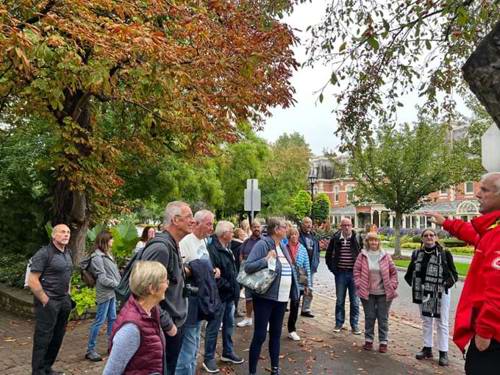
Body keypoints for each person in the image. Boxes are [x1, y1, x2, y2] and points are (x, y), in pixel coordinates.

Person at [425, 172, 500, 374]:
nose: (477, 194)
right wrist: (447, 223)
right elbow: (477, 236)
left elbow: (497, 291)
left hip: (492, 339)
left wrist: (484, 332)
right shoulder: (492, 231)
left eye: (484, 190)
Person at [140, 201, 194, 374]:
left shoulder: (172, 245)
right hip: (165, 328)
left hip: (175, 323)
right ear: (175, 220)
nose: (193, 221)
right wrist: (168, 325)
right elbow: (144, 294)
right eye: (189, 217)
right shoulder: (161, 248)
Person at [245, 218, 300, 375]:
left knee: (276, 334)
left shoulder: (282, 246)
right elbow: (248, 266)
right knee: (260, 335)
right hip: (265, 298)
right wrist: (265, 259)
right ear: (276, 229)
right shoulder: (263, 244)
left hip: (281, 299)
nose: (287, 229)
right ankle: (252, 371)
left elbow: (290, 269)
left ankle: (275, 369)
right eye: (284, 227)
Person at [403, 228, 457, 366]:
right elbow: (409, 273)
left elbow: (454, 275)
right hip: (423, 293)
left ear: (436, 237)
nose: (429, 237)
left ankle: (443, 352)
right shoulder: (417, 254)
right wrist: (417, 286)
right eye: (426, 235)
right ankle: (427, 348)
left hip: (441, 292)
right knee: (426, 320)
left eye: (431, 235)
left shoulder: (444, 253)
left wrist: (444, 286)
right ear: (422, 238)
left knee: (441, 322)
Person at [103, 260, 168, 375]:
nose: (168, 284)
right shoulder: (131, 329)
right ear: (152, 289)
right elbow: (111, 372)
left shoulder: (151, 311)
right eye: (164, 281)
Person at [28, 224, 73, 375]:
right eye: (62, 232)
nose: (66, 234)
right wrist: (45, 299)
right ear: (54, 236)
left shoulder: (67, 252)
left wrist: (68, 293)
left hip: (63, 301)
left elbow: (68, 274)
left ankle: (47, 368)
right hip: (48, 302)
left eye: (68, 232)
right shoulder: (44, 253)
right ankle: (38, 371)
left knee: (58, 336)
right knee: (43, 338)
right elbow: (33, 280)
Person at [175, 210, 216, 375]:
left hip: (201, 302)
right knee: (187, 350)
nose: (211, 228)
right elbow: (180, 272)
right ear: (197, 223)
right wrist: (197, 269)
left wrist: (212, 270)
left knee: (194, 347)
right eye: (208, 224)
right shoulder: (186, 242)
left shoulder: (203, 242)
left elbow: (204, 265)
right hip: (189, 304)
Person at [203, 221, 244, 373]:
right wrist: (229, 286)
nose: (233, 233)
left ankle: (228, 352)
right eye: (231, 231)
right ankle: (209, 358)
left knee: (229, 325)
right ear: (224, 233)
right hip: (219, 296)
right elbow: (214, 275)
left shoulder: (227, 247)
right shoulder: (212, 249)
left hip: (229, 296)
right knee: (214, 327)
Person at [354, 232, 398, 353]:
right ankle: (368, 340)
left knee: (383, 318)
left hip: (384, 293)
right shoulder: (362, 255)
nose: (374, 242)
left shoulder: (385, 256)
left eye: (376, 240)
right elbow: (356, 271)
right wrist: (358, 283)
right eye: (371, 240)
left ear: (379, 242)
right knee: (370, 317)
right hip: (367, 292)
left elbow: (393, 272)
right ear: (367, 242)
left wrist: (393, 285)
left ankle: (383, 342)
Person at [85, 230, 121, 362]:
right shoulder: (97, 257)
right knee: (99, 321)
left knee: (112, 318)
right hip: (105, 293)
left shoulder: (107, 254)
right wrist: (118, 284)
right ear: (104, 241)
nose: (113, 241)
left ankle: (111, 346)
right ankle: (90, 350)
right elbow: (102, 279)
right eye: (111, 239)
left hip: (111, 292)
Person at [325, 217, 362, 334]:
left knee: (355, 301)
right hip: (340, 273)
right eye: (344, 225)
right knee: (340, 300)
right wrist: (334, 270)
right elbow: (328, 255)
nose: (346, 227)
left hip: (354, 275)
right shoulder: (336, 238)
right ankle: (339, 323)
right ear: (340, 227)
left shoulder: (357, 238)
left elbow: (363, 255)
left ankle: (355, 325)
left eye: (349, 225)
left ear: (352, 226)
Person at [286, 227, 312, 341]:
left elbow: (306, 267)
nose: (294, 236)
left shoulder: (302, 249)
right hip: (285, 280)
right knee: (280, 305)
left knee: (295, 304)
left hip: (298, 281)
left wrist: (307, 285)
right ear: (289, 236)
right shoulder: (284, 247)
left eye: (296, 234)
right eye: (291, 234)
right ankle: (271, 323)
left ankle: (292, 329)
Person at [237, 219, 262, 328]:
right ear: (251, 228)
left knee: (262, 299)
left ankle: (263, 321)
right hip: (248, 274)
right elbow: (241, 256)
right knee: (248, 297)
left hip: (261, 275)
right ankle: (248, 318)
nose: (256, 228)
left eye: (258, 226)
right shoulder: (246, 242)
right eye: (254, 227)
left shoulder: (265, 241)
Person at [298, 217, 320, 318]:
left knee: (309, 288)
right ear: (302, 224)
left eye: (310, 223)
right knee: (300, 288)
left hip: (311, 267)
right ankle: (294, 306)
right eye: (306, 223)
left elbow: (317, 250)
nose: (309, 225)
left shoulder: (313, 236)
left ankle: (306, 309)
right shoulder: (298, 235)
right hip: (301, 268)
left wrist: (316, 261)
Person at [231, 227, 247, 318]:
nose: (244, 235)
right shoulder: (241, 246)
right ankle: (235, 310)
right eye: (242, 234)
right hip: (238, 270)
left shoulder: (230, 244)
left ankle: (234, 309)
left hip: (233, 270)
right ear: (239, 235)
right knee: (236, 291)